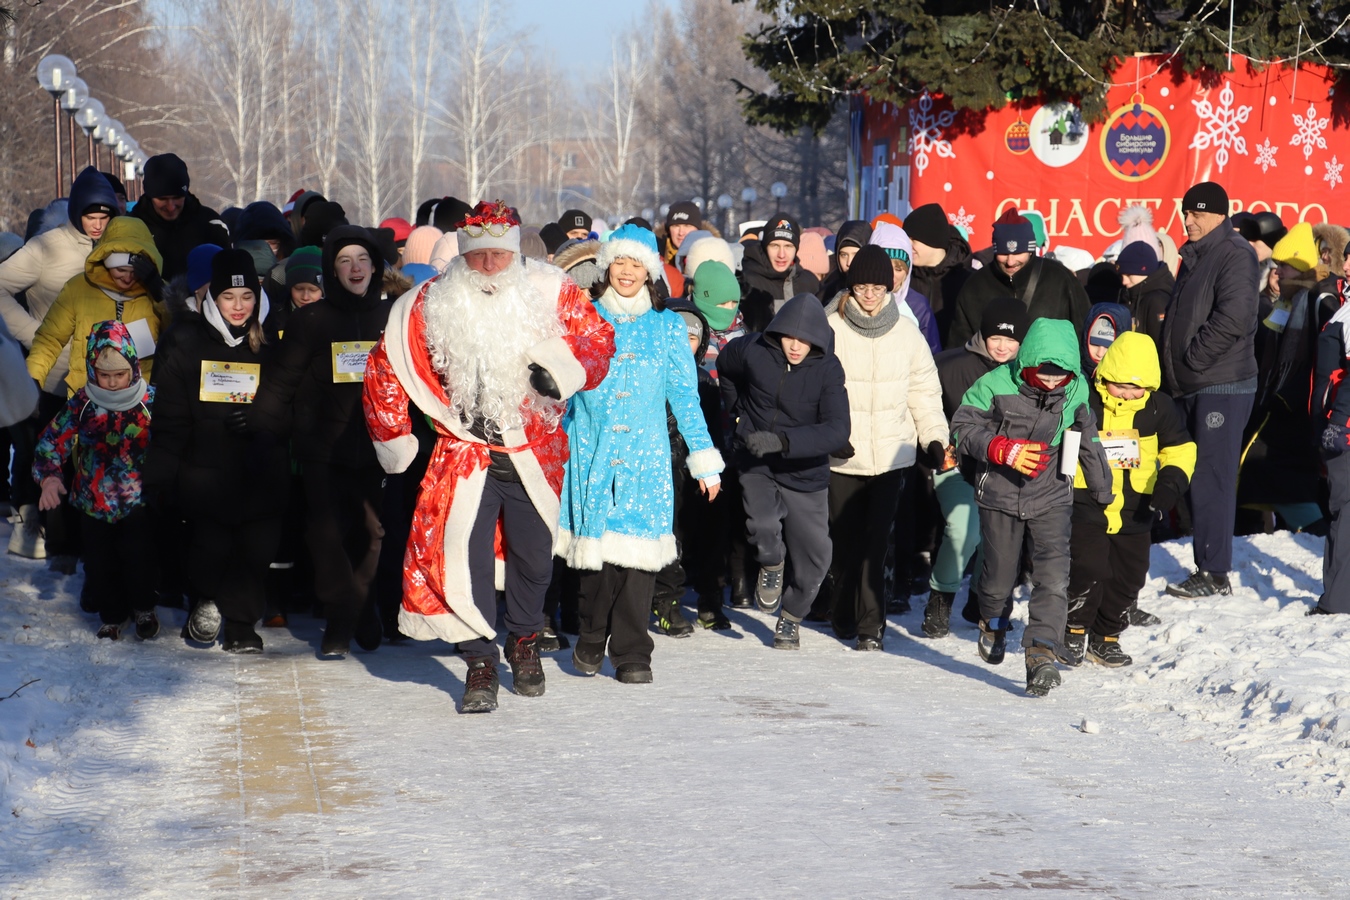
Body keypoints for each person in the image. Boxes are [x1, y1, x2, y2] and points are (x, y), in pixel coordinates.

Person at [362, 200, 614, 713]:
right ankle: (479, 659)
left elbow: (597, 339)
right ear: (464, 257)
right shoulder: (431, 301)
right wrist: (395, 435)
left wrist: (565, 372)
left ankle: (523, 642)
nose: (491, 266)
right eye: (480, 258)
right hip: (464, 452)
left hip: (533, 450)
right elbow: (385, 363)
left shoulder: (547, 289)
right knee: (464, 555)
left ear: (514, 252)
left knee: (533, 556)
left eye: (500, 255)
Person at [557, 225, 723, 683]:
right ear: (608, 265)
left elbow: (685, 397)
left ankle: (633, 652)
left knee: (639, 560)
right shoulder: (585, 318)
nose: (627, 272)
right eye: (620, 262)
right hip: (591, 452)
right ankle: (592, 635)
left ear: (649, 270)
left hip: (648, 459)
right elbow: (563, 391)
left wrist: (704, 459)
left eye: (636, 264)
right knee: (595, 562)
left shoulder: (668, 326)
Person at [952, 318, 1114, 696]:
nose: (1054, 381)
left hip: (1052, 493)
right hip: (1000, 495)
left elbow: (1086, 437)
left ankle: (1040, 654)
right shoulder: (994, 385)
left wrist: (1102, 488)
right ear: (1027, 362)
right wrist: (1002, 448)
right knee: (997, 577)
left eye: (1062, 374)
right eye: (1045, 372)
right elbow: (961, 427)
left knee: (1054, 577)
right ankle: (992, 621)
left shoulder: (1076, 390)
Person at [250, 227, 392, 656]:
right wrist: (260, 429)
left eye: (362, 260)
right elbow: (282, 382)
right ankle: (339, 619)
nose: (355, 268)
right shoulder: (311, 320)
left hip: (377, 449)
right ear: (333, 269)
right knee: (325, 536)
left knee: (373, 535)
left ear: (375, 267)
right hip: (321, 448)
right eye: (345, 260)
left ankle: (360, 607)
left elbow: (415, 380)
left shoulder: (391, 318)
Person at [145, 249, 289, 652]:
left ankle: (242, 624)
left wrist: (268, 419)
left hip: (262, 471)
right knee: (210, 550)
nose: (238, 307)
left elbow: (295, 403)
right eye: (229, 297)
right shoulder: (188, 341)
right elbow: (170, 416)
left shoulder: (274, 341)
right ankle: (206, 599)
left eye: (246, 297)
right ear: (212, 297)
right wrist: (159, 475)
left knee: (255, 551)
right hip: (205, 472)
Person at [823, 244, 947, 650]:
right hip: (843, 455)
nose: (870, 294)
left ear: (891, 287)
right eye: (861, 286)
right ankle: (843, 612)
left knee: (877, 543)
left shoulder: (907, 334)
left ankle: (870, 626)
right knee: (844, 543)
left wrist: (933, 438)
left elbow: (924, 392)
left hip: (892, 456)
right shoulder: (831, 327)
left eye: (878, 286)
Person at [718, 294, 850, 650]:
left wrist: (784, 442)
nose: (796, 346)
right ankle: (772, 564)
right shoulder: (753, 350)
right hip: (757, 460)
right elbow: (727, 367)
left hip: (805, 473)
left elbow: (838, 430)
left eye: (805, 340)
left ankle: (791, 618)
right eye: (790, 337)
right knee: (761, 523)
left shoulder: (827, 369)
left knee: (816, 560)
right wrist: (737, 412)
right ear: (777, 333)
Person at [3, 167, 119, 558]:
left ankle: (91, 549)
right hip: (56, 377)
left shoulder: (120, 243)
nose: (99, 226)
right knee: (56, 461)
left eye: (106, 217)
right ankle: (60, 546)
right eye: (92, 217)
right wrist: (33, 333)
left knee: (99, 463)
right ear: (76, 214)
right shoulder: (46, 247)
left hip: (107, 378)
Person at [1063, 332, 1195, 666]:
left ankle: (1106, 636)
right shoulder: (1085, 402)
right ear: (1103, 375)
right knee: (1088, 567)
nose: (1126, 393)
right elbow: (1064, 444)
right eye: (1119, 385)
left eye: (1136, 387)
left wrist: (1170, 483)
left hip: (1138, 506)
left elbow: (1180, 449)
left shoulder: (1159, 407)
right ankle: (1074, 628)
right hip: (1086, 500)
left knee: (1129, 576)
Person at [1159, 182, 1259, 599]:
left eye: (1197, 213)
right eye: (1186, 212)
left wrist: (1192, 360)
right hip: (1195, 383)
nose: (1188, 220)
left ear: (1220, 215)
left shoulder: (1235, 254)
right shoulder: (1196, 254)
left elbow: (1233, 319)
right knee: (1192, 471)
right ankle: (1208, 563)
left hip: (1222, 384)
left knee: (1212, 476)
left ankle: (1215, 573)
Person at [34, 321, 157, 640]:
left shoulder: (150, 403)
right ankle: (112, 615)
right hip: (93, 502)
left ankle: (143, 607)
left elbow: (178, 437)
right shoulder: (82, 402)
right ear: (92, 371)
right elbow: (51, 441)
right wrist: (49, 477)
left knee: (139, 559)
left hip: (138, 501)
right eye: (106, 375)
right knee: (100, 565)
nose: (114, 383)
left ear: (133, 368)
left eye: (120, 374)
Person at [922, 298, 1029, 637]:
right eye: (996, 337)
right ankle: (941, 597)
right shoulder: (950, 365)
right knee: (965, 526)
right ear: (983, 334)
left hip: (1004, 469)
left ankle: (984, 603)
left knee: (999, 535)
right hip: (955, 463)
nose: (1002, 346)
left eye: (1011, 340)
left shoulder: (1029, 374)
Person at [27, 217, 165, 397]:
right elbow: (49, 339)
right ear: (106, 263)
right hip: (86, 400)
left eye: (135, 272)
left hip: (139, 401)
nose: (127, 278)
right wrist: (33, 380)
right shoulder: (78, 288)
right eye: (120, 270)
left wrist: (162, 296)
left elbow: (181, 338)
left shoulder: (158, 294)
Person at [946, 210, 1091, 349]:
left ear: (1030, 249)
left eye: (1018, 253)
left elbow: (1082, 330)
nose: (1010, 261)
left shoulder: (1060, 279)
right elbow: (960, 344)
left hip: (1049, 372)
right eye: (1003, 253)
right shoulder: (975, 285)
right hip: (989, 373)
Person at [131, 154, 229, 280]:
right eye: (162, 199)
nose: (171, 207)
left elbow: (226, 276)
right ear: (150, 196)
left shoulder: (210, 224)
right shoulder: (132, 226)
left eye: (177, 198)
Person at [903, 203, 973, 345]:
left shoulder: (968, 280)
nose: (907, 244)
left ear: (932, 240)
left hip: (953, 362)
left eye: (913, 239)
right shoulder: (903, 278)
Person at [737, 216, 822, 332]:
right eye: (775, 246)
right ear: (765, 247)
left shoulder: (809, 283)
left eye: (788, 246)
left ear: (796, 248)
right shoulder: (747, 282)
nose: (781, 254)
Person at [1116, 241, 1171, 348]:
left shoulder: (1158, 301)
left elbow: (1162, 347)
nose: (1124, 281)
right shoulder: (1128, 294)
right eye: (1121, 276)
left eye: (1128, 275)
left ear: (1144, 271)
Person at [660, 201, 702, 296]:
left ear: (698, 229)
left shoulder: (714, 254)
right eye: (676, 226)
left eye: (687, 225)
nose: (681, 232)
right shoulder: (656, 255)